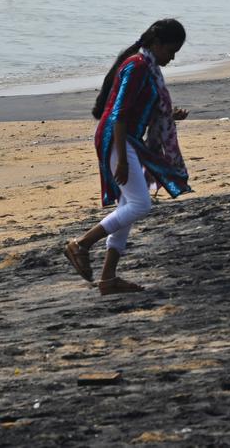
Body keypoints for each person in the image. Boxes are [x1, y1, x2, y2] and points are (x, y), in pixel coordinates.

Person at [64, 19, 191, 295]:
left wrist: (169, 116)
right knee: (140, 205)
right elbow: (119, 114)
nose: (172, 57)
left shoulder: (149, 68)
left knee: (127, 206)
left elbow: (140, 109)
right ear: (156, 44)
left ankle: (108, 279)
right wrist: (121, 159)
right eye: (171, 50)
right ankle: (81, 244)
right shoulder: (137, 66)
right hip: (117, 138)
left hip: (129, 139)